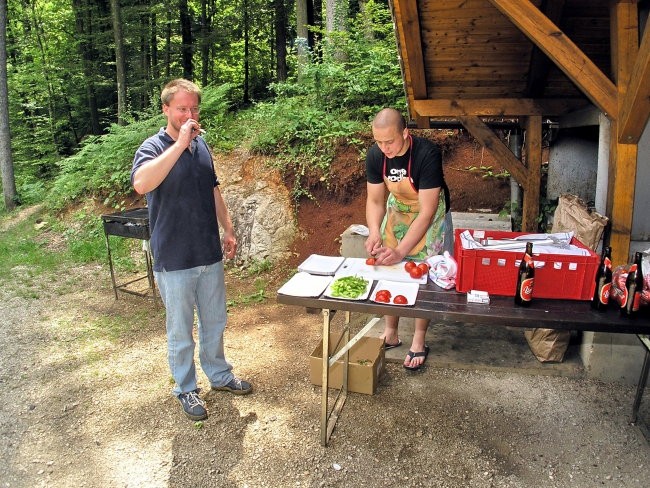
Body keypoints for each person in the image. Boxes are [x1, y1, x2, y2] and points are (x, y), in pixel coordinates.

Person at [131, 79, 251, 421]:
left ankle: (220, 375)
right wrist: (180, 142)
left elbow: (213, 190)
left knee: (215, 321)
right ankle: (186, 389)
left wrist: (227, 229)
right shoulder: (153, 147)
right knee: (181, 330)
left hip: (207, 252)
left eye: (194, 108)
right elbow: (142, 183)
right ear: (166, 109)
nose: (189, 114)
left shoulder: (202, 147)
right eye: (182, 108)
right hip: (174, 257)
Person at [365, 108, 453, 371]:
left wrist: (402, 250)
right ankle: (390, 331)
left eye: (389, 141)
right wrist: (373, 231)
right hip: (398, 210)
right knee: (387, 270)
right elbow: (375, 199)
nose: (385, 148)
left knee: (423, 276)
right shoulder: (375, 155)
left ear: (405, 133)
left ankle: (419, 340)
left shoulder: (426, 154)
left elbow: (427, 211)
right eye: (379, 142)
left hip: (430, 215)